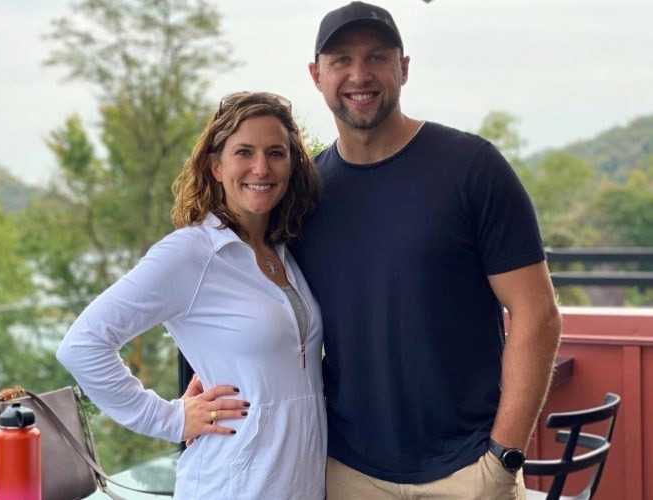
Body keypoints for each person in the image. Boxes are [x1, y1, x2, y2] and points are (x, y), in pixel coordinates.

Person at [291, 2, 563, 499]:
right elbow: (259, 294)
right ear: (317, 75)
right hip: (346, 470)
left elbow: (537, 313)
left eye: (376, 57)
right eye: (341, 61)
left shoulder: (471, 168)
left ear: (403, 68)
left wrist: (503, 457)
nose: (359, 74)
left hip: (468, 471)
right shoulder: (303, 193)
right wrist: (209, 369)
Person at [56, 92, 326, 499]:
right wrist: (170, 419)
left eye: (276, 152)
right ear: (216, 166)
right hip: (231, 487)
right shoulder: (191, 253)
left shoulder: (284, 253)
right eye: (244, 152)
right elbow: (82, 345)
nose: (261, 167)